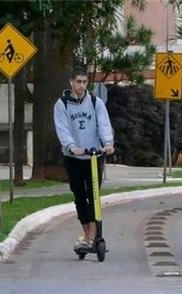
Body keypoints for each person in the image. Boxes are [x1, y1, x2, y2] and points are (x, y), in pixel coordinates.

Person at [54, 66, 115, 250]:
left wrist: (108, 143)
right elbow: (62, 128)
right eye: (78, 82)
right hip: (73, 158)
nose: (81, 86)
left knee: (93, 195)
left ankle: (95, 234)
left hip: (94, 155)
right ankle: (88, 232)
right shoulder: (62, 104)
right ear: (71, 82)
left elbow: (104, 124)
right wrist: (72, 147)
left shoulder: (95, 102)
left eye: (84, 82)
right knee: (80, 195)